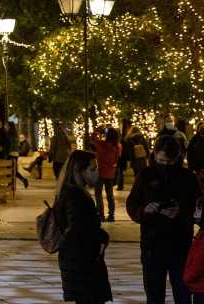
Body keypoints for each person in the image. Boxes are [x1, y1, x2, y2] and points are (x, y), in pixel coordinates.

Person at [127, 134, 201, 304]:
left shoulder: (187, 177)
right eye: (161, 161)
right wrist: (144, 210)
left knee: (182, 291)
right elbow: (132, 203)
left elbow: (198, 206)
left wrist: (181, 212)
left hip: (180, 242)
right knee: (154, 293)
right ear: (155, 155)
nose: (165, 166)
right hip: (152, 242)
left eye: (170, 162)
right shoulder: (145, 175)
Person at [53, 149, 112, 304]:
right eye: (92, 169)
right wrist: (99, 237)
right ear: (80, 171)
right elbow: (77, 229)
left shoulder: (73, 192)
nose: (97, 173)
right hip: (82, 264)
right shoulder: (74, 196)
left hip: (80, 262)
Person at [92, 127, 120, 222]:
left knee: (98, 194)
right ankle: (111, 215)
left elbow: (93, 138)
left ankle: (101, 215)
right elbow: (117, 159)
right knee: (110, 194)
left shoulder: (101, 144)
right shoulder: (117, 146)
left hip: (100, 172)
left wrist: (98, 130)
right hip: (111, 172)